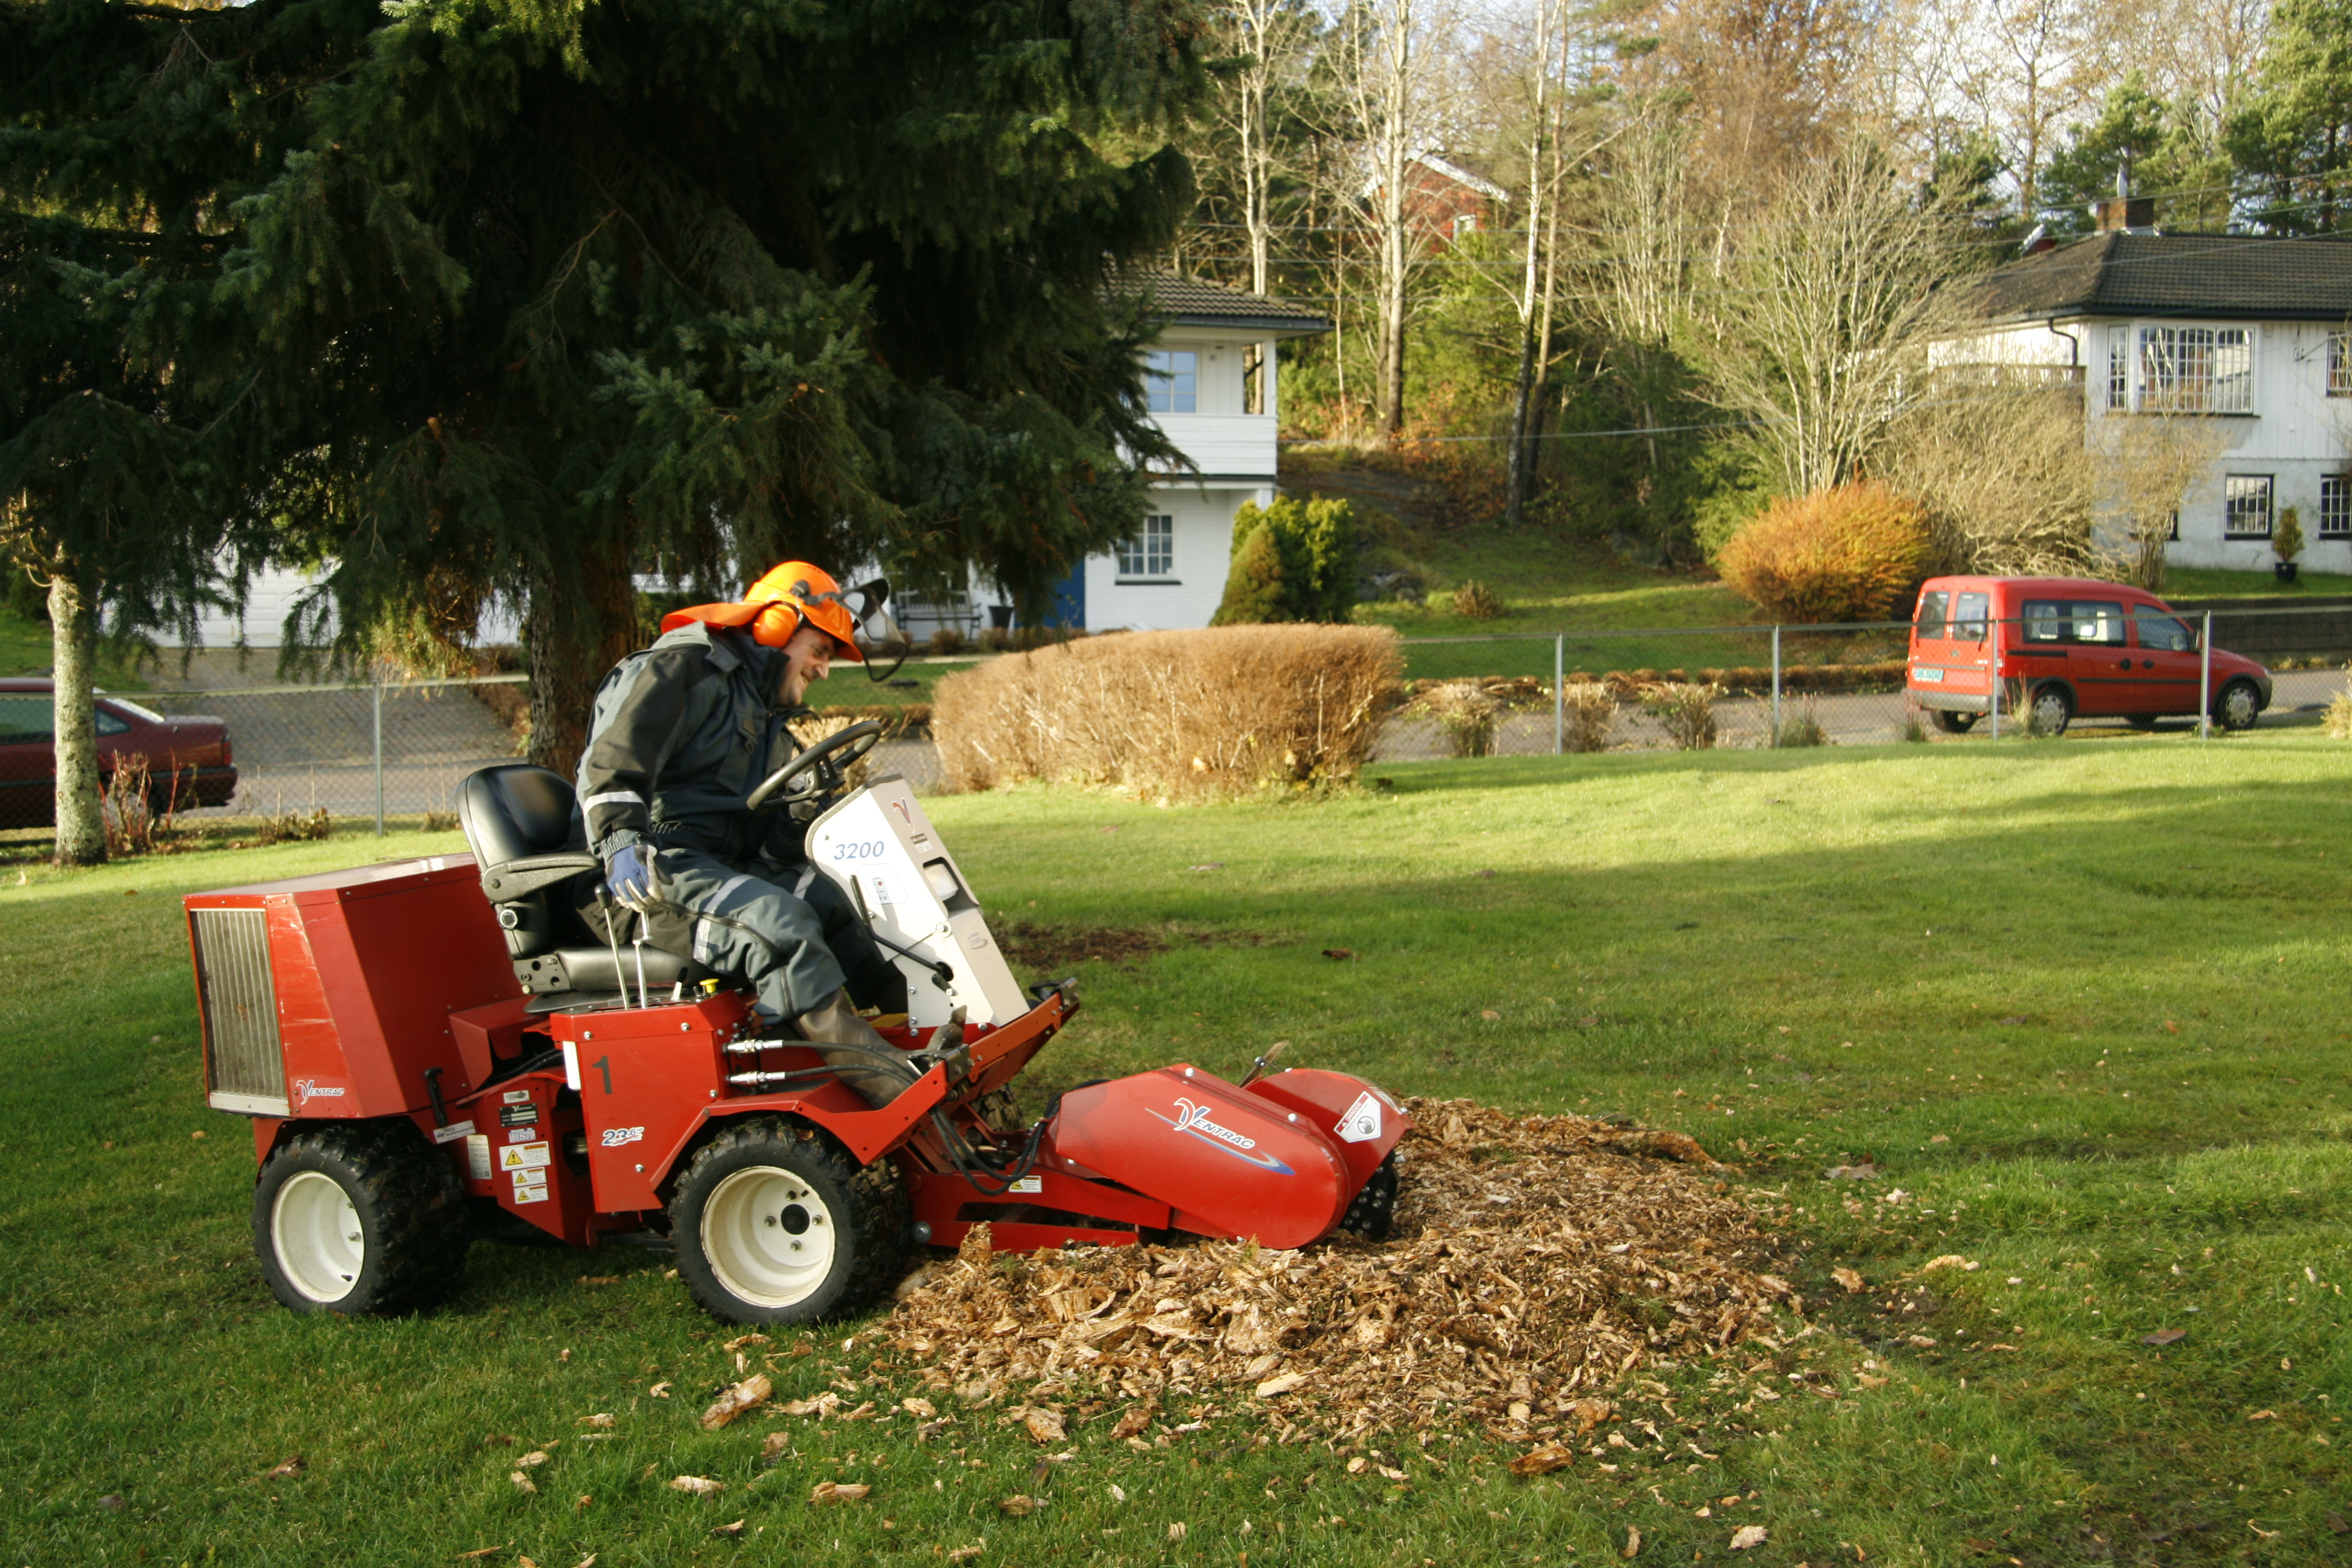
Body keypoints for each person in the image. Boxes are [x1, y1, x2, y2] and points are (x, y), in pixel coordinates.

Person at [573, 561, 911, 1103]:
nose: (824, 671)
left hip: (715, 864)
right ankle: (893, 1088)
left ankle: (923, 1029)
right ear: (776, 624)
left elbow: (758, 827)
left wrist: (796, 823)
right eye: (820, 652)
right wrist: (619, 839)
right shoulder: (681, 669)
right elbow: (612, 763)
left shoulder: (759, 704)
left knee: (848, 899)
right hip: (641, 876)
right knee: (780, 925)